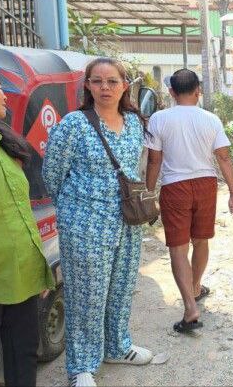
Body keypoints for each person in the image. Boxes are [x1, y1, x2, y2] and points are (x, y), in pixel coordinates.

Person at [43, 58, 152, 387]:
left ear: (124, 86)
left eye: (112, 81)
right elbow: (52, 175)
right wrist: (74, 209)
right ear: (88, 86)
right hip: (86, 225)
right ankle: (82, 367)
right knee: (86, 297)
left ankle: (117, 346)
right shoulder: (74, 124)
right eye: (98, 81)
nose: (105, 87)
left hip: (127, 223)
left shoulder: (134, 123)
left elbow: (133, 169)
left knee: (121, 289)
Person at [0, 57, 55, 387]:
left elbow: (20, 212)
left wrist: (38, 267)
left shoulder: (2, 142)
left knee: (24, 360)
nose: (5, 94)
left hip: (22, 278)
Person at [145, 69, 233, 333]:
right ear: (198, 91)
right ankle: (196, 286)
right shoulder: (211, 119)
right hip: (206, 185)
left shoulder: (159, 118)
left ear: (171, 92)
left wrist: (149, 193)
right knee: (201, 241)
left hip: (174, 187)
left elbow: (154, 160)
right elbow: (223, 157)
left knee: (178, 248)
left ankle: (190, 307)